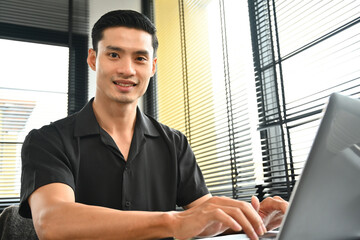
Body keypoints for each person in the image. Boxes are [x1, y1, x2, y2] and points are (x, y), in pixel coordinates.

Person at [19, 9, 288, 240]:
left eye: (140, 58)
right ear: (92, 59)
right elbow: (52, 221)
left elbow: (204, 217)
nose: (128, 69)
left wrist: (253, 219)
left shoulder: (174, 142)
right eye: (114, 55)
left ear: (153, 66)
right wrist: (175, 221)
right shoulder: (47, 140)